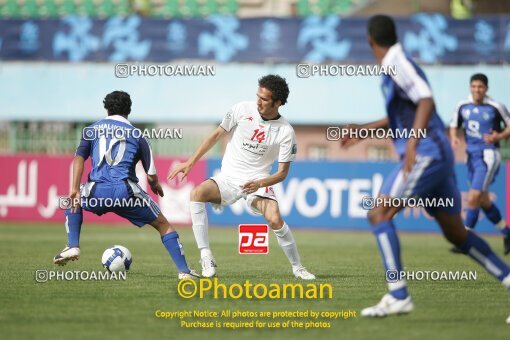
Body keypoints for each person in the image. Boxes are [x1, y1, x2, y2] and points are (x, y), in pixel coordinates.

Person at [341, 15, 510, 323]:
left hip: (426, 154)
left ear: (369, 40)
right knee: (457, 234)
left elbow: (426, 99)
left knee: (378, 214)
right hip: (436, 154)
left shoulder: (398, 62)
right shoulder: (395, 63)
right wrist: (366, 130)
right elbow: (405, 113)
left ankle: (398, 295)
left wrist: (415, 144)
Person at [168, 75, 315, 280]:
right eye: (258, 96)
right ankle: (206, 255)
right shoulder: (241, 109)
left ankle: (298, 267)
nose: (258, 102)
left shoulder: (286, 132)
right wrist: (190, 162)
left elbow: (282, 173)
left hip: (258, 181)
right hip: (228, 178)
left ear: (278, 102)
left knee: (275, 219)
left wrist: (259, 183)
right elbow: (215, 135)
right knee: (197, 193)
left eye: (264, 99)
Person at [53, 91, 198, 280]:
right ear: (129, 110)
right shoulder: (139, 136)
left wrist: (74, 189)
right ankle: (184, 272)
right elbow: (151, 175)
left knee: (73, 201)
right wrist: (155, 187)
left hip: (97, 190)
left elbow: (79, 158)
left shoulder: (91, 130)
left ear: (106, 108)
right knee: (163, 225)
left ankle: (73, 245)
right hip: (126, 193)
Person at [450, 73, 510, 255]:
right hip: (471, 156)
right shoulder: (462, 105)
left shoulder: (495, 106)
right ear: (470, 87)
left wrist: (498, 136)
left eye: (480, 87)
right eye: (474, 86)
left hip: (488, 155)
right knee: (482, 200)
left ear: (486, 89)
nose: (477, 90)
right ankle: (507, 233)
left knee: (473, 197)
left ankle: (465, 239)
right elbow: (454, 124)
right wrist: (454, 138)